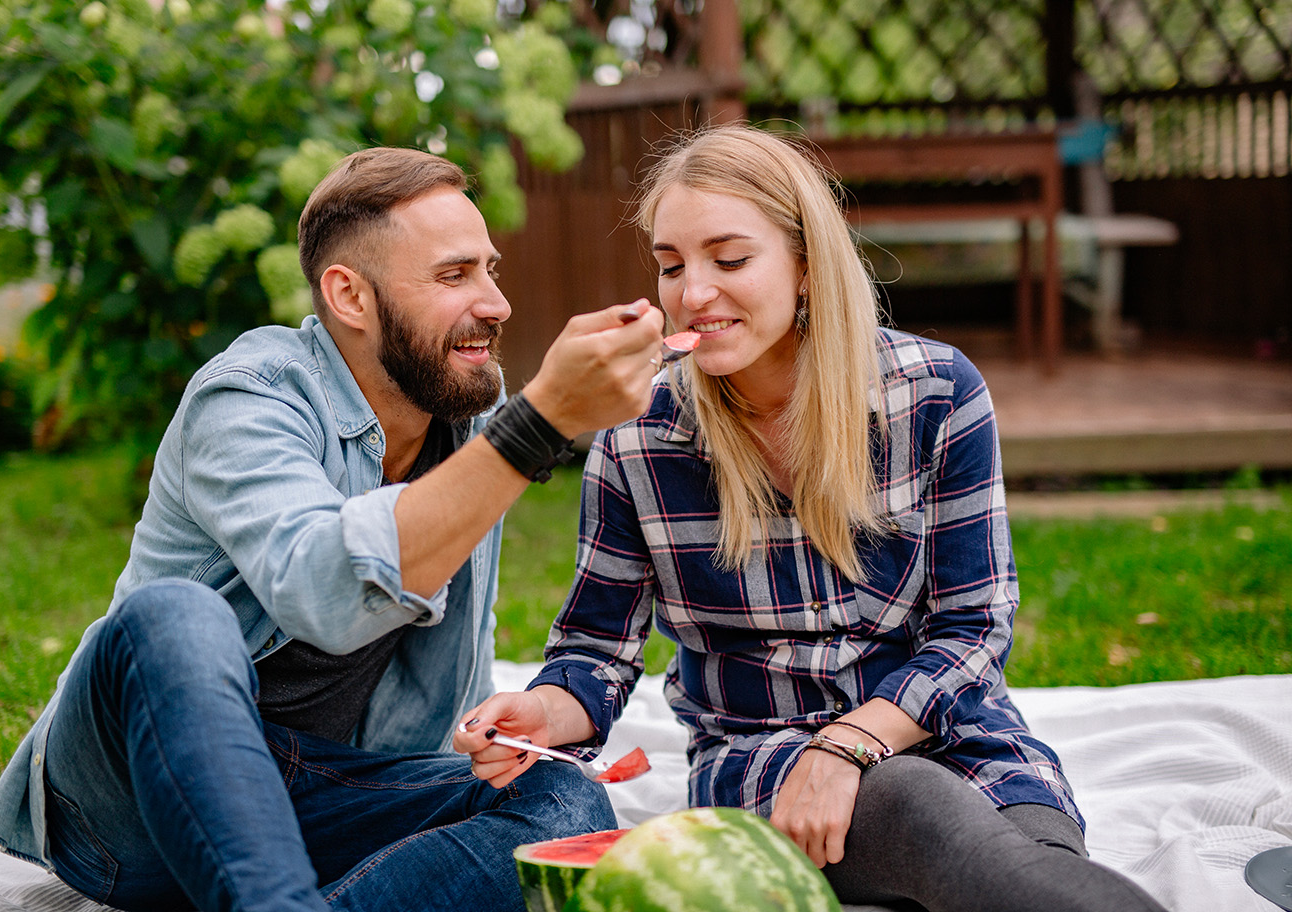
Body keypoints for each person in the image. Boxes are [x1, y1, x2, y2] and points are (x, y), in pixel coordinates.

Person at [454, 125, 1169, 912]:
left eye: (730, 260)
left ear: (804, 265)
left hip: (958, 733)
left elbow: (973, 630)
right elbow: (595, 653)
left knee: (1029, 860)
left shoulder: (935, 393)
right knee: (926, 817)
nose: (693, 292)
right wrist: (542, 713)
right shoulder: (638, 438)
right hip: (765, 764)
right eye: (670, 265)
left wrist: (851, 743)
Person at [0, 146, 667, 912]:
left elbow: (459, 638)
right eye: (454, 275)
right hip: (132, 809)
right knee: (171, 616)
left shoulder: (469, 415)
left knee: (565, 807)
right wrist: (536, 427)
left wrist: (483, 741)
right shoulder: (248, 395)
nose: (497, 302)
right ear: (349, 295)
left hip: (325, 790)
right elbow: (326, 592)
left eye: (490, 269)